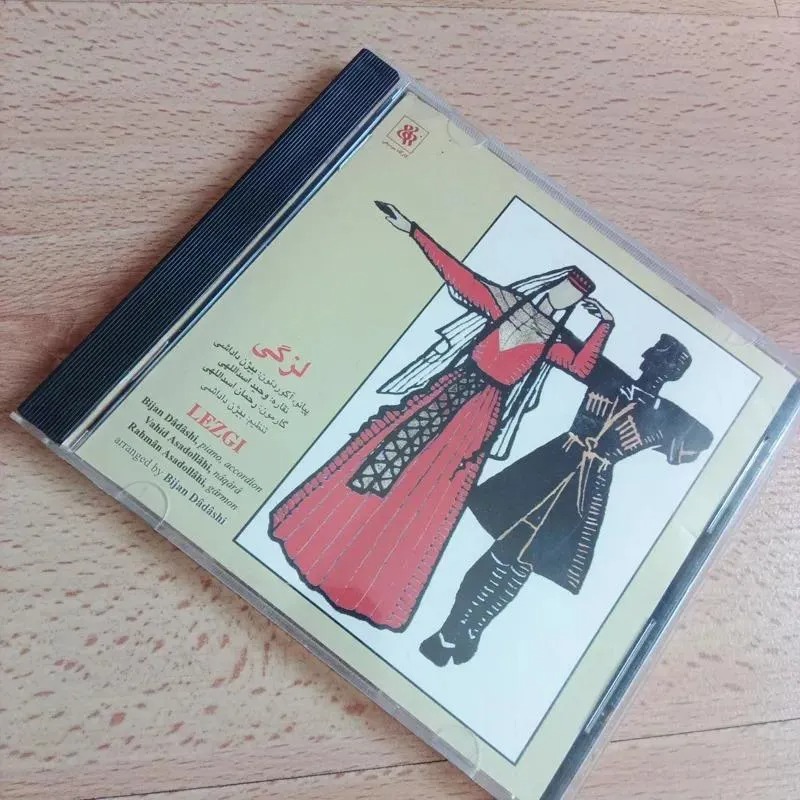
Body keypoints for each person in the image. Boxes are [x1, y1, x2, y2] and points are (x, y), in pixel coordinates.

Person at [268, 202, 614, 631]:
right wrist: (413, 229)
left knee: (430, 496)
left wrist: (604, 325)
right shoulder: (504, 303)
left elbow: (582, 367)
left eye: (572, 299)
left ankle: (372, 587)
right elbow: (458, 275)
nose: (563, 299)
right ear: (552, 284)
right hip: (447, 392)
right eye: (564, 290)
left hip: (478, 418)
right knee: (381, 458)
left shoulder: (551, 341)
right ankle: (314, 536)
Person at [421, 333, 713, 665]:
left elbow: (702, 439)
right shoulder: (610, 377)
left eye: (667, 366)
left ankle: (472, 629)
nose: (657, 370)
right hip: (554, 464)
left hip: (587, 487)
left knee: (526, 562)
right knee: (505, 551)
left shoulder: (665, 414)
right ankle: (451, 631)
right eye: (657, 360)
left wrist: (659, 440)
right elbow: (567, 345)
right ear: (646, 358)